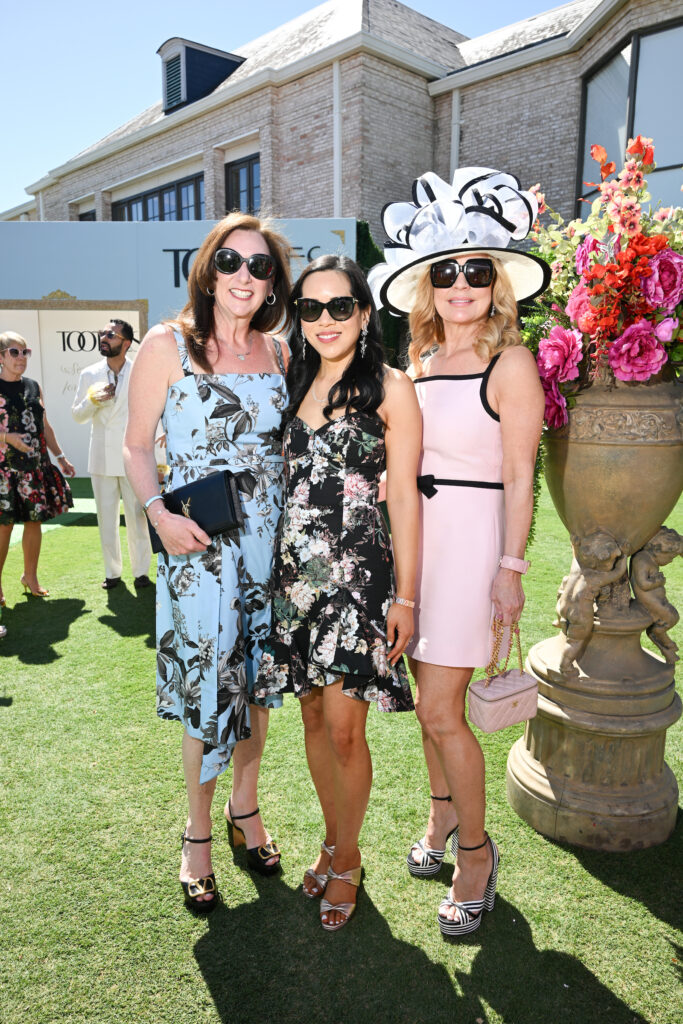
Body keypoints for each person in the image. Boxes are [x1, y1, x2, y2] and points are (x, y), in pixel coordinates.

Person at [369, 168, 550, 937]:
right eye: (446, 272)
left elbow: (519, 475)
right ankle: (440, 819)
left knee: (444, 711)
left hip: (474, 545)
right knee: (426, 710)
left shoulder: (510, 364)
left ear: (497, 284)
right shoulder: (414, 367)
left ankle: (475, 854)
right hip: (415, 548)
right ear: (425, 287)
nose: (461, 285)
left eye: (477, 271)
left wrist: (510, 571)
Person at [123, 213, 293, 913]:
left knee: (255, 686)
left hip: (268, 553)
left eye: (259, 265)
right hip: (198, 553)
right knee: (207, 692)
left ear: (274, 281)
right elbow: (137, 447)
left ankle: (243, 809)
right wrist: (160, 515)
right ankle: (196, 831)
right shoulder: (168, 345)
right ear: (208, 269)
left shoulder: (282, 355)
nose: (243, 277)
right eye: (231, 262)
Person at [256, 254, 421, 931]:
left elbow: (405, 498)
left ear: (363, 312)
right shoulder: (285, 381)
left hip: (357, 582)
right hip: (293, 580)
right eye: (311, 307)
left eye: (340, 306)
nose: (325, 320)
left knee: (348, 731)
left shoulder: (389, 387)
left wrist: (405, 597)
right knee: (313, 721)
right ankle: (331, 839)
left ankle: (347, 859)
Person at [72, 319, 152, 590]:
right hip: (102, 458)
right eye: (102, 334)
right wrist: (92, 401)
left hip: (133, 456)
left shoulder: (141, 371)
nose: (104, 338)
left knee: (138, 518)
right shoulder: (88, 374)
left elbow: (151, 409)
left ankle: (141, 572)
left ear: (126, 343)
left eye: (111, 335)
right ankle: (112, 573)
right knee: (106, 519)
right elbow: (77, 415)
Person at [0, 332, 75, 602]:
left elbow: (45, 425)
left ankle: (29, 577)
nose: (21, 358)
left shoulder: (33, 386)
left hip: (35, 466)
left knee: (34, 521)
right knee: (3, 525)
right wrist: (7, 438)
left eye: (25, 352)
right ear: (1, 357)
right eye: (14, 352)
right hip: (4, 470)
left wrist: (61, 456)